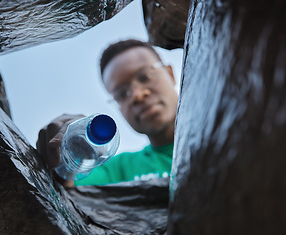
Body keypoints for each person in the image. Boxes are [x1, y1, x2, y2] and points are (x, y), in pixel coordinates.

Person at [36, 39, 179, 187]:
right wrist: (63, 162)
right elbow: (67, 191)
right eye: (122, 94)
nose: (137, 95)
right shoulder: (117, 172)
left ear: (170, 74)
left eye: (145, 77)